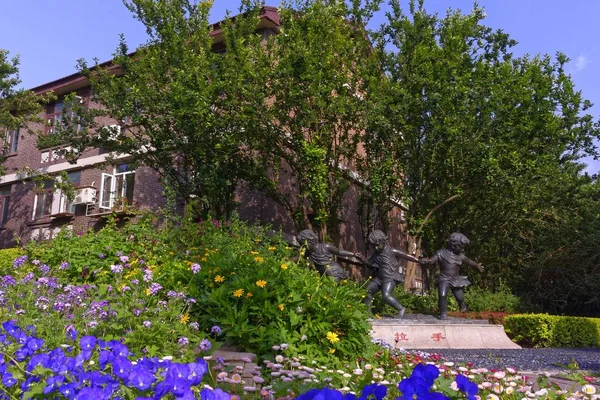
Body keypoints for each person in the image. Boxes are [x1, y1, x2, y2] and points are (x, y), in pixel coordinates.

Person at [357, 230, 420, 319]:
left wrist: (419, 261)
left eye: (377, 245)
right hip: (379, 278)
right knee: (368, 292)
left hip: (390, 277)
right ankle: (368, 314)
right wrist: (361, 258)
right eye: (373, 246)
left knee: (386, 295)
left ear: (383, 241)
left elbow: (406, 256)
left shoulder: (391, 250)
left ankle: (401, 308)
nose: (375, 248)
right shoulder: (376, 254)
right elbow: (370, 263)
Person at [420, 232, 484, 320]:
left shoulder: (460, 256)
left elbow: (469, 262)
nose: (462, 249)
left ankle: (462, 306)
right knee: (442, 295)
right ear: (453, 245)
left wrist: (477, 266)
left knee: (460, 297)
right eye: (461, 247)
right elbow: (431, 261)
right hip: (444, 278)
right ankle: (443, 314)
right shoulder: (441, 253)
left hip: (456, 280)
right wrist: (426, 261)